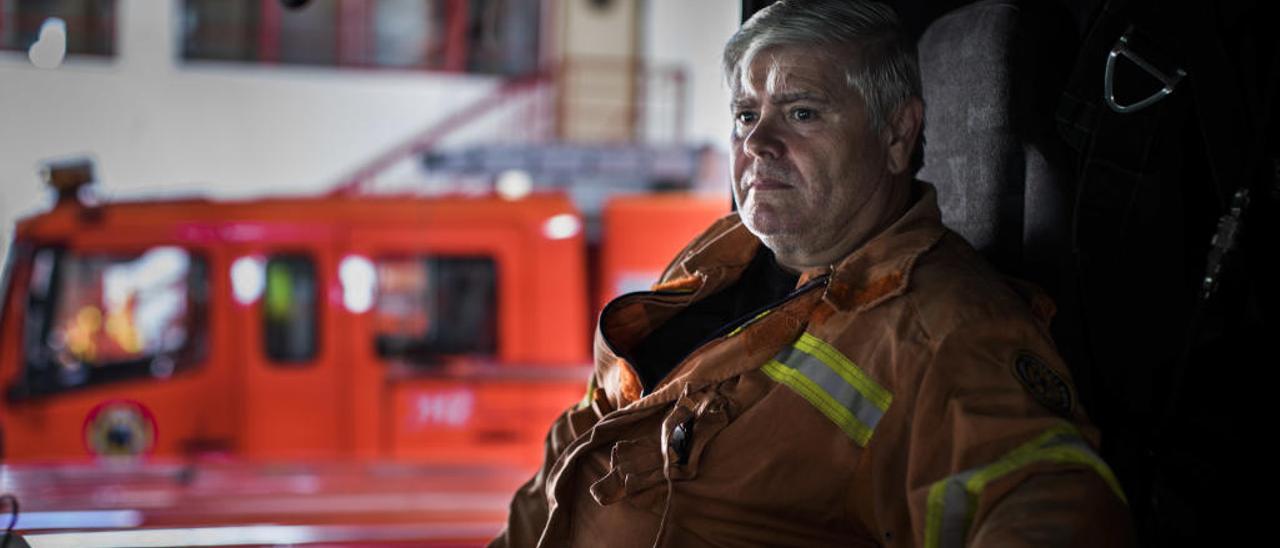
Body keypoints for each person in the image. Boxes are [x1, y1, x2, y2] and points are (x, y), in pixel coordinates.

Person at [491, 1, 1133, 546]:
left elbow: (1047, 505)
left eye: (802, 113)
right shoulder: (720, 255)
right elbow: (582, 440)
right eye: (747, 115)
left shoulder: (948, 329)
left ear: (897, 134)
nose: (758, 144)